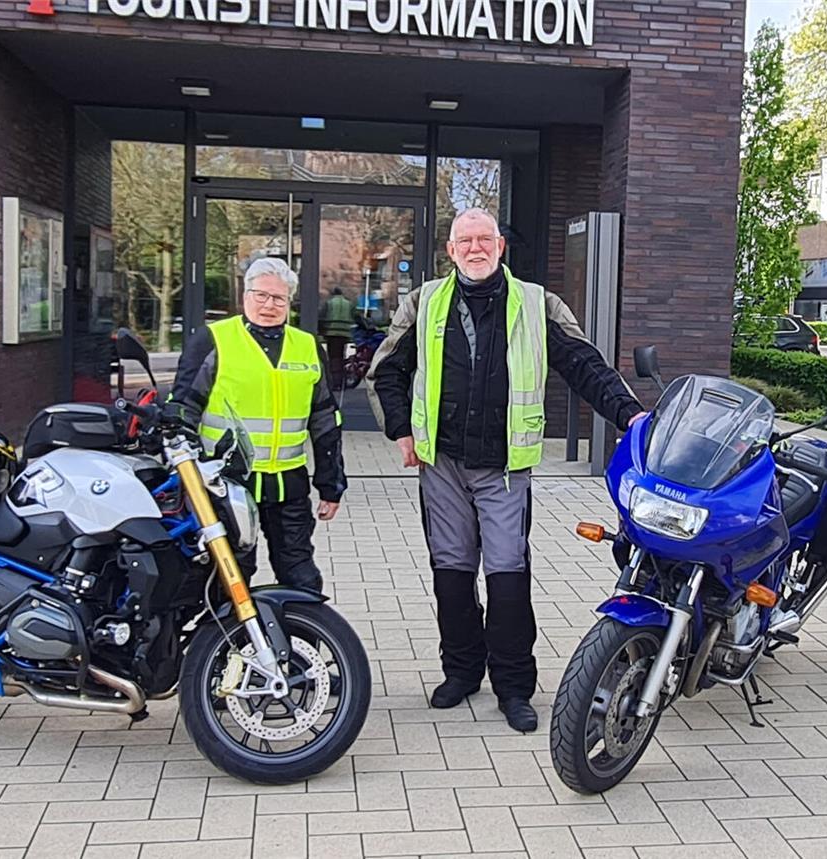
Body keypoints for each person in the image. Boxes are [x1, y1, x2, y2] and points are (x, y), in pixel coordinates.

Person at [367, 208, 645, 732]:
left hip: (505, 469)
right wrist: (400, 429)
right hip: (442, 462)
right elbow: (387, 370)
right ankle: (462, 671)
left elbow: (585, 364)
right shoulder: (423, 303)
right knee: (451, 576)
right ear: (450, 251)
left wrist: (630, 415)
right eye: (465, 241)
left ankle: (514, 686)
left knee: (508, 578)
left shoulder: (538, 304)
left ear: (500, 247)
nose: (476, 249)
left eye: (485, 239)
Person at [168, 257, 346, 592]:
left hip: (288, 482)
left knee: (301, 576)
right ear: (244, 295)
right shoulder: (213, 340)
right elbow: (183, 408)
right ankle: (224, 644)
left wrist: (331, 484)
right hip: (228, 483)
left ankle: (301, 641)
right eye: (260, 295)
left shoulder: (308, 346)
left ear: (289, 302)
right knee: (231, 576)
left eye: (278, 298)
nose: (269, 305)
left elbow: (325, 419)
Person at [319, 286, 355, 388]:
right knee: (340, 356)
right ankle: (341, 381)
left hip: (331, 334)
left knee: (333, 358)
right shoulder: (348, 304)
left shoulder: (329, 303)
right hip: (345, 334)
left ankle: (335, 382)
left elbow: (322, 316)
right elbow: (354, 316)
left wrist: (321, 332)